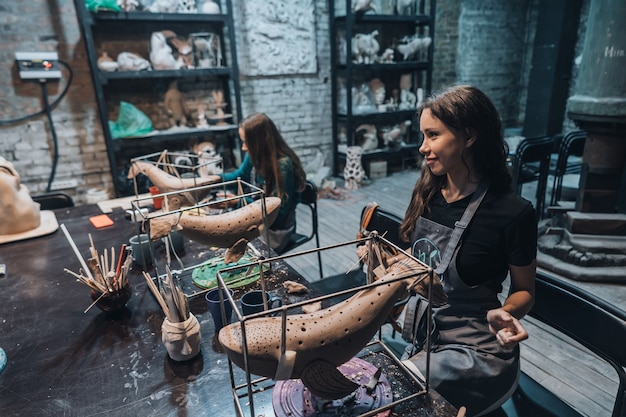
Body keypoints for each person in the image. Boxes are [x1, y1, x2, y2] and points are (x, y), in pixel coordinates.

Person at [375, 85, 537, 416]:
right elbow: (415, 260)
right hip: (426, 340)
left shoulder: (512, 212)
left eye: (432, 135)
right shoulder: (428, 195)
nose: (423, 147)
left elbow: (525, 291)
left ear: (469, 135)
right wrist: (385, 262)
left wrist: (508, 313)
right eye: (423, 136)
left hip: (475, 350)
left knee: (387, 395)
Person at [222, 113, 307, 252]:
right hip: (258, 221)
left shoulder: (283, 167)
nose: (243, 147)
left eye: (246, 142)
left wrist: (238, 202)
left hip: (275, 231)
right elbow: (239, 176)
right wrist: (210, 181)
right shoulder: (255, 156)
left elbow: (276, 217)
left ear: (259, 142)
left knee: (235, 248)